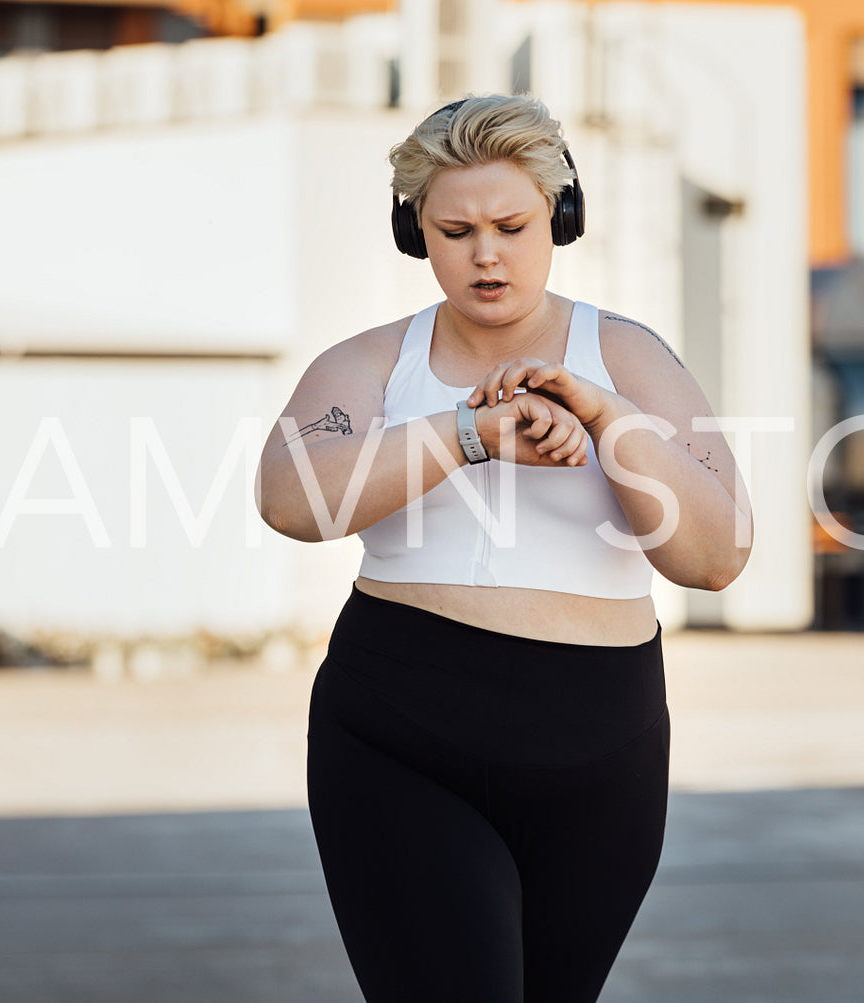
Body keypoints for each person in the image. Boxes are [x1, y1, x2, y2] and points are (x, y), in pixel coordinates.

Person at [254, 93, 752, 1003]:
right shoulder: (367, 364)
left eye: (512, 225)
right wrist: (468, 433)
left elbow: (715, 557)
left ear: (560, 217)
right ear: (417, 235)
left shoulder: (631, 359)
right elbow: (290, 500)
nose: (486, 253)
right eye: (456, 230)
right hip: (404, 736)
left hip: (603, 745)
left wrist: (605, 421)